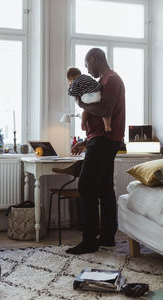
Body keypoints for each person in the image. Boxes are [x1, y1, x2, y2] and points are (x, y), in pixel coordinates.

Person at [66, 48, 125, 255]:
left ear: (94, 59)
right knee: (104, 187)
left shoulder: (111, 80)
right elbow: (99, 112)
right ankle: (107, 236)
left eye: (86, 64)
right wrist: (85, 141)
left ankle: (89, 240)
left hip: (103, 141)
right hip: (101, 140)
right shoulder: (106, 81)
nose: (87, 69)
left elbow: (104, 110)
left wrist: (80, 102)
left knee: (86, 185)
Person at [67, 67, 112, 132]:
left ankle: (83, 123)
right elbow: (95, 83)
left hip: (88, 97)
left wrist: (70, 89)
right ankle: (107, 126)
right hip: (98, 93)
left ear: (71, 78)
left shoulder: (75, 82)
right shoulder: (86, 77)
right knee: (104, 112)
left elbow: (73, 93)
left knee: (85, 110)